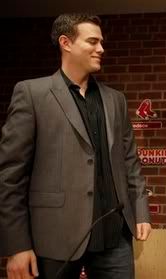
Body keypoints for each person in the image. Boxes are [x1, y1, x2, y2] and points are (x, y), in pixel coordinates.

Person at [0, 13, 151, 279]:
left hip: (115, 238)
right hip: (54, 238)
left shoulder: (116, 100)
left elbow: (130, 161)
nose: (101, 49)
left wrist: (141, 212)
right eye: (92, 41)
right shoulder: (31, 94)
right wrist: (17, 246)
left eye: (101, 42)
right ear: (65, 43)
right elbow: (10, 177)